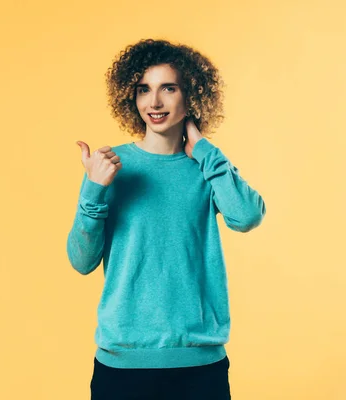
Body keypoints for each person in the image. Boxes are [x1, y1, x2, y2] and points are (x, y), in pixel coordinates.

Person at [66, 39, 267, 399]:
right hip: (122, 364)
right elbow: (81, 261)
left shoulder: (207, 168)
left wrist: (204, 150)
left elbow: (247, 216)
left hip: (199, 366)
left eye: (168, 88)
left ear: (191, 95)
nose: (154, 103)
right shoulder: (110, 166)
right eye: (144, 89)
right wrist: (93, 191)